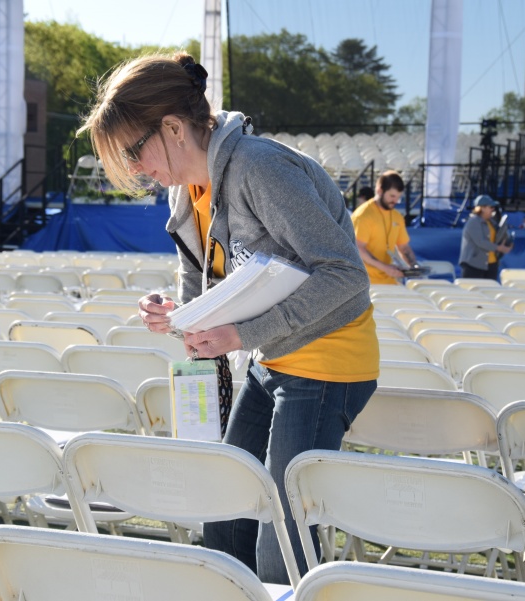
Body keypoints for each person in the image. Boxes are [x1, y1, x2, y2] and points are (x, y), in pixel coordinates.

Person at [79, 52, 378, 585]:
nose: (132, 170)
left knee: (280, 540)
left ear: (172, 128)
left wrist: (241, 334)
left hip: (328, 360)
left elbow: (346, 277)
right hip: (272, 358)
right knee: (225, 517)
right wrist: (178, 315)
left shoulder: (259, 167)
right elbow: (209, 281)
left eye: (132, 151)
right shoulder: (184, 187)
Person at [350, 170, 419, 285]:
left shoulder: (397, 216)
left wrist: (414, 267)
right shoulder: (363, 215)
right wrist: (385, 267)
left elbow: (403, 247)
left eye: (398, 197)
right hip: (362, 282)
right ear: (379, 191)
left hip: (387, 280)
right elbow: (358, 248)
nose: (395, 201)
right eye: (392, 196)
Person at [458, 195, 512, 280]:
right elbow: (480, 242)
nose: (493, 209)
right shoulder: (473, 222)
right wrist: (499, 248)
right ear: (482, 208)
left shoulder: (491, 222)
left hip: (491, 264)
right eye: (490, 207)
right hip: (474, 266)